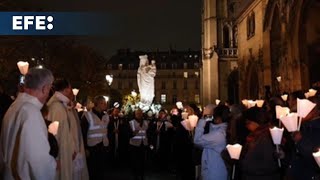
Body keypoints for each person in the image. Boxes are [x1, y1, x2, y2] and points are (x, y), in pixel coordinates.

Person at [0, 67, 57, 180]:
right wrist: (53, 166)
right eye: (50, 89)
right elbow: (38, 162)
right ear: (45, 89)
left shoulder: (14, 106)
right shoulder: (32, 112)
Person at [47, 78, 74, 180]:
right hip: (60, 152)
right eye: (70, 89)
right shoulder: (57, 107)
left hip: (62, 149)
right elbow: (54, 134)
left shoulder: (59, 105)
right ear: (66, 90)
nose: (71, 91)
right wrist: (56, 157)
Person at [194, 104, 230, 180]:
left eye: (214, 115)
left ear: (219, 117)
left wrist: (202, 120)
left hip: (214, 172)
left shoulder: (219, 134)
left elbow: (197, 140)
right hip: (214, 170)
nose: (212, 117)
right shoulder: (219, 130)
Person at [81, 95, 109, 180]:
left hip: (103, 147)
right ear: (97, 104)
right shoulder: (87, 115)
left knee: (101, 171)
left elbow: (106, 131)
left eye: (105, 103)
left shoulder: (106, 116)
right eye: (103, 103)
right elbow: (83, 133)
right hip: (92, 148)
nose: (105, 105)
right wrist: (85, 148)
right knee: (93, 172)